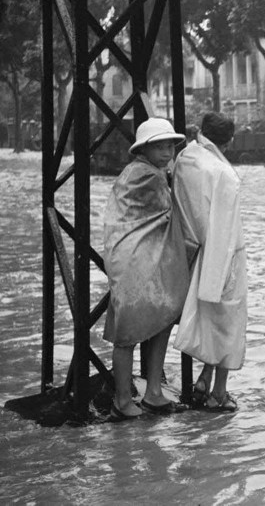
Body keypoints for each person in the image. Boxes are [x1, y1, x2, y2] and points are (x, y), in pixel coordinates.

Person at [103, 118, 190, 420]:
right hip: (134, 263)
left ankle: (151, 391)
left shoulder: (140, 171)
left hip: (143, 261)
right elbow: (175, 209)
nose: (168, 152)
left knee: (157, 319)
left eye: (171, 146)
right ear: (145, 148)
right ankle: (124, 398)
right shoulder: (148, 177)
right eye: (161, 146)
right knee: (127, 333)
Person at [172, 112, 247, 412]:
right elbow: (225, 233)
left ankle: (203, 378)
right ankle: (219, 392)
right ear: (228, 142)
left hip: (189, 248)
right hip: (222, 255)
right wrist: (224, 276)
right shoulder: (224, 175)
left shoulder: (185, 158)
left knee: (208, 320)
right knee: (229, 323)